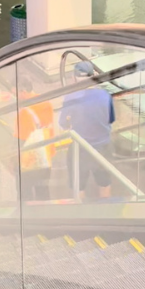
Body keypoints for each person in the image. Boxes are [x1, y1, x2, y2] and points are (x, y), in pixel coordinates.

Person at [59, 62, 116, 201]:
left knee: (78, 186)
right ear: (94, 76)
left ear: (74, 78)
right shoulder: (105, 95)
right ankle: (107, 211)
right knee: (104, 183)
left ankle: (80, 214)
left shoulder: (71, 97)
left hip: (80, 148)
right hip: (103, 146)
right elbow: (111, 119)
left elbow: (62, 123)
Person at [17, 89, 55, 202]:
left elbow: (21, 137)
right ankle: (45, 215)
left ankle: (28, 215)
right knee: (43, 189)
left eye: (16, 93)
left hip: (30, 159)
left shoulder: (24, 112)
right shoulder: (45, 102)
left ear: (23, 91)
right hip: (45, 154)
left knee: (24, 191)